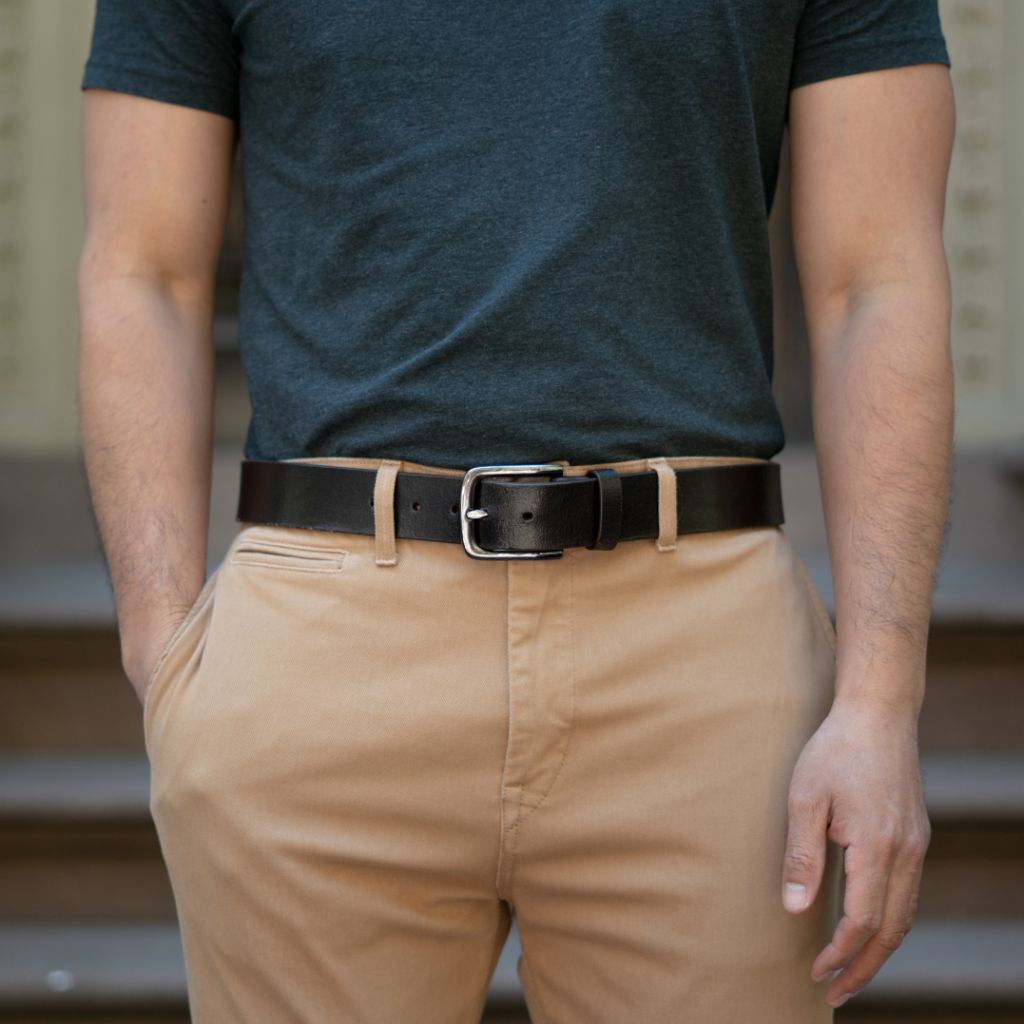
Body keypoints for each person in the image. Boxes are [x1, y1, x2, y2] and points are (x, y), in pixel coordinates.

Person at [76, 1, 955, 1021]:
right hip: (319, 647)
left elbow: (877, 280)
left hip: (701, 659)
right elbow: (142, 271)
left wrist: (879, 700)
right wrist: (163, 652)